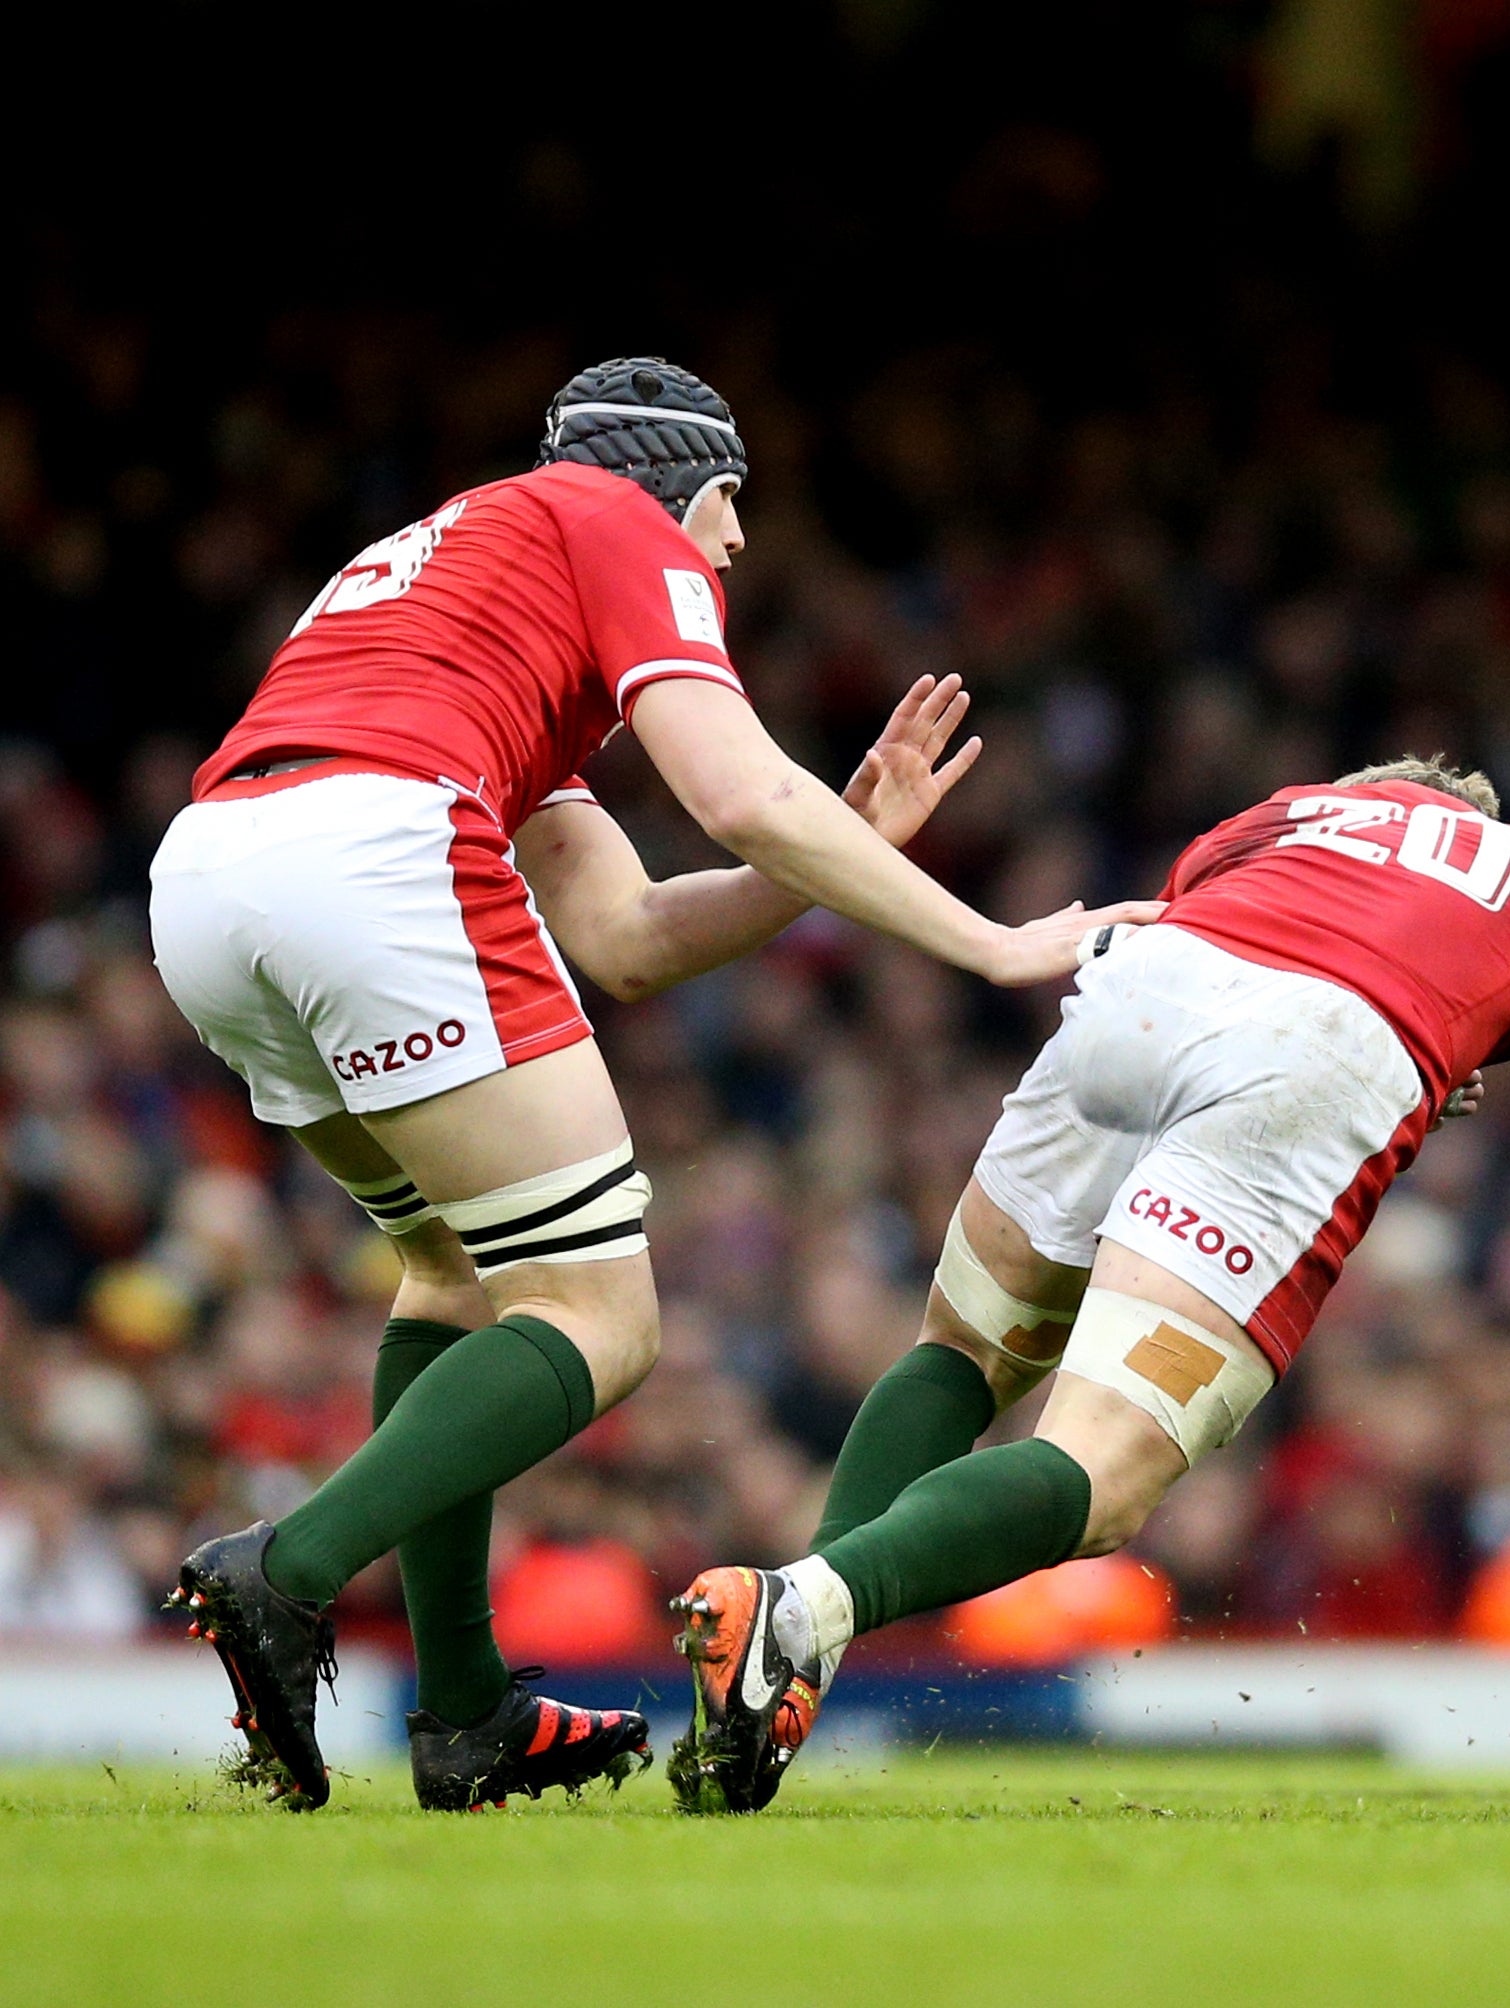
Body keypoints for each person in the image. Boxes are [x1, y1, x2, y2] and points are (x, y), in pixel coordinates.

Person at [666, 756, 1510, 1814]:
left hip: (1146, 984)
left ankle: (777, 1677)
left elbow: (1262, 925)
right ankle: (799, 1613)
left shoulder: (1280, 814)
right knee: (1105, 1473)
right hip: (1311, 1052)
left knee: (962, 1355)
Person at [150, 357, 1114, 1811]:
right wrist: (989, 942)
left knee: (450, 1271)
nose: (730, 551)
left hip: (215, 879)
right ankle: (284, 1573)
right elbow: (734, 790)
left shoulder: (462, 571)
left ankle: (464, 1712)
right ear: (692, 484)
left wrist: (845, 840)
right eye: (732, 511)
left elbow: (631, 937)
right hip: (374, 861)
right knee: (599, 1318)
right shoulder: (623, 524)